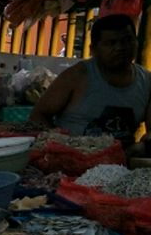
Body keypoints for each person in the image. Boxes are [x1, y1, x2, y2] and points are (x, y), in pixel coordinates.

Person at [32, 13, 151, 152]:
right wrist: (61, 145)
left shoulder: (147, 82)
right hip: (70, 158)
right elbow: (38, 115)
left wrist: (140, 147)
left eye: (127, 40)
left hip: (120, 164)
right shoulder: (76, 76)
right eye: (111, 43)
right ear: (93, 50)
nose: (120, 48)